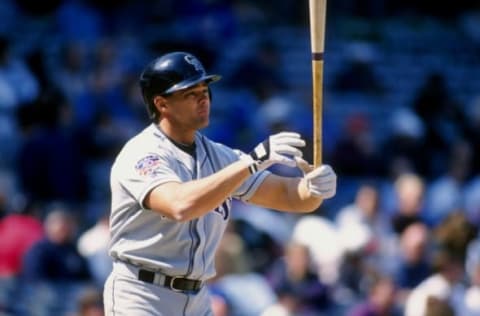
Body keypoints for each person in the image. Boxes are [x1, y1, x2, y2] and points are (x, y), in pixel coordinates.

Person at [102, 51, 337, 316]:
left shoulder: (218, 155)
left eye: (204, 90)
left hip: (198, 296)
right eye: (190, 93)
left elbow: (291, 196)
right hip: (142, 294)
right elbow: (180, 205)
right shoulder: (142, 153)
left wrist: (314, 188)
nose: (203, 98)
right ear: (161, 104)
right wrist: (251, 162)